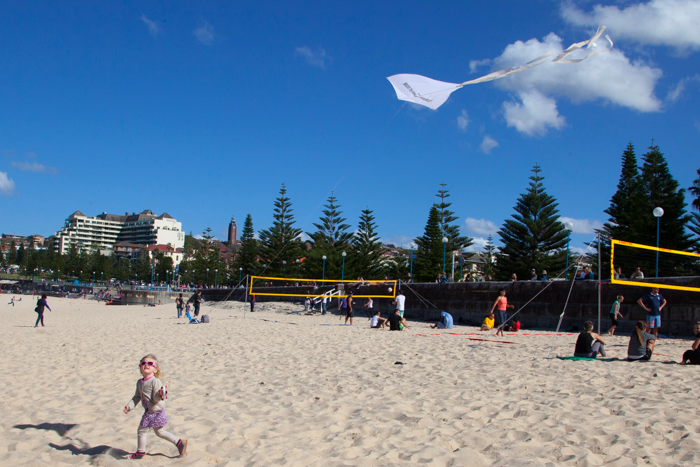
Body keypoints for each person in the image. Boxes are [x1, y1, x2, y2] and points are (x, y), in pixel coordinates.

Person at [123, 354, 188, 459]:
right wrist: (129, 406)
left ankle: (140, 452)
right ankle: (179, 443)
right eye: (143, 363)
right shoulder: (139, 382)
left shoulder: (155, 381)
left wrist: (160, 395)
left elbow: (156, 398)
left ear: (155, 370)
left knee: (142, 431)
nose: (146, 365)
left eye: (150, 363)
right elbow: (137, 396)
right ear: (140, 368)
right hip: (149, 411)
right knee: (159, 432)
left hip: (155, 411)